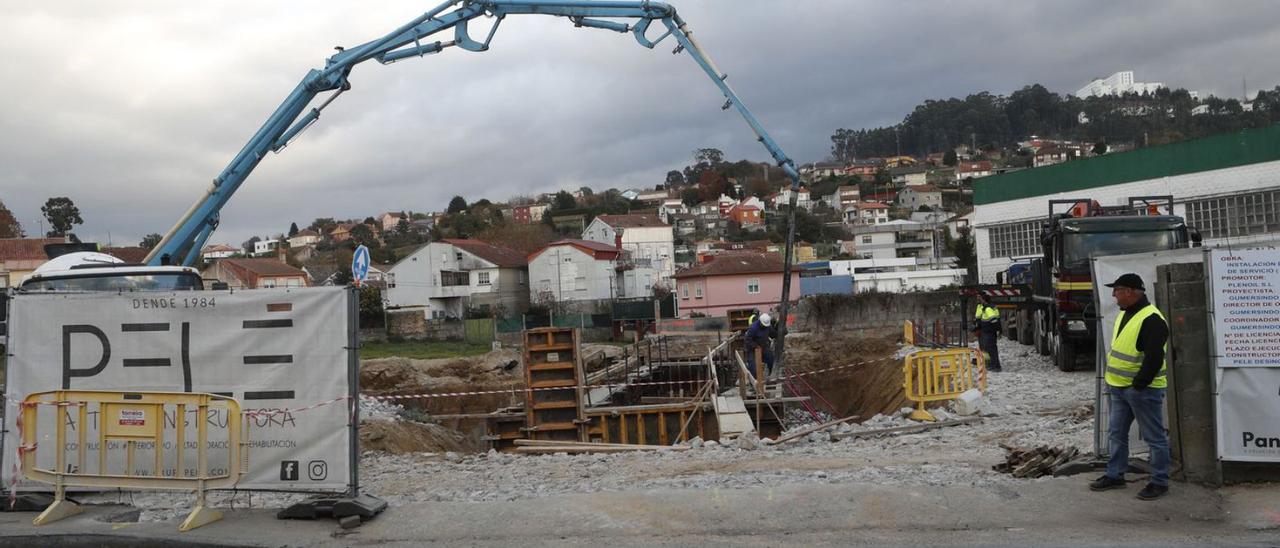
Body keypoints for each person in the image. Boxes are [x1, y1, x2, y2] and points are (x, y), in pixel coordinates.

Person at [1089, 273, 1171, 501]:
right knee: (1116, 434)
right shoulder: (1125, 315)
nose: (1114, 295)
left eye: (1117, 290)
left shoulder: (1152, 319)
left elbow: (1154, 358)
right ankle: (1115, 475)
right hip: (1120, 388)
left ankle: (1159, 481)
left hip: (1142, 391)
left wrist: (1138, 386)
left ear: (1129, 292)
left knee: (1155, 438)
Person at [972, 293, 1002, 372]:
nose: (979, 300)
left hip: (989, 332)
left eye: (981, 298)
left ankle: (995, 366)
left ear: (984, 300)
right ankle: (993, 364)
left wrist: (997, 330)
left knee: (991, 349)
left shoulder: (988, 309)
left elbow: (993, 320)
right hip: (988, 331)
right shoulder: (987, 307)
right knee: (990, 349)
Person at [744, 312, 776, 381]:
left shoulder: (767, 327)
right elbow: (747, 340)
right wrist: (755, 346)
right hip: (753, 350)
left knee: (771, 359)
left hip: (763, 347)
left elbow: (773, 334)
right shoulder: (753, 328)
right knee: (753, 368)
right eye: (763, 325)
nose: (765, 326)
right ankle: (754, 383)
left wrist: (777, 328)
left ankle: (770, 376)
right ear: (760, 322)